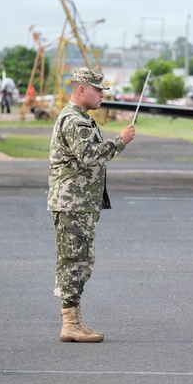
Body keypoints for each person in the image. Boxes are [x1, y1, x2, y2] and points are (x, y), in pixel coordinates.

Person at [48, 67, 136, 343]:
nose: (102, 95)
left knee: (80, 261)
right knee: (73, 262)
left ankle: (73, 321)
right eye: (98, 89)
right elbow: (88, 155)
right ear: (81, 89)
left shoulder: (81, 119)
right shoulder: (74, 121)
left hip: (79, 204)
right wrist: (120, 141)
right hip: (72, 204)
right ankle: (70, 324)